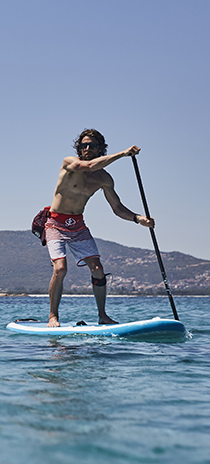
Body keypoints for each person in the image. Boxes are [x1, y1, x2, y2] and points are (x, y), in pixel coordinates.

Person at [44, 129, 154, 326]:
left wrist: (139, 219)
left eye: (92, 146)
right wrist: (122, 154)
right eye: (84, 145)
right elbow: (87, 165)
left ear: (100, 149)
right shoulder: (70, 163)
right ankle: (53, 316)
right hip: (55, 223)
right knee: (60, 268)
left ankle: (103, 316)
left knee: (97, 268)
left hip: (78, 225)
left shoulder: (104, 178)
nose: (87, 149)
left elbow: (117, 208)